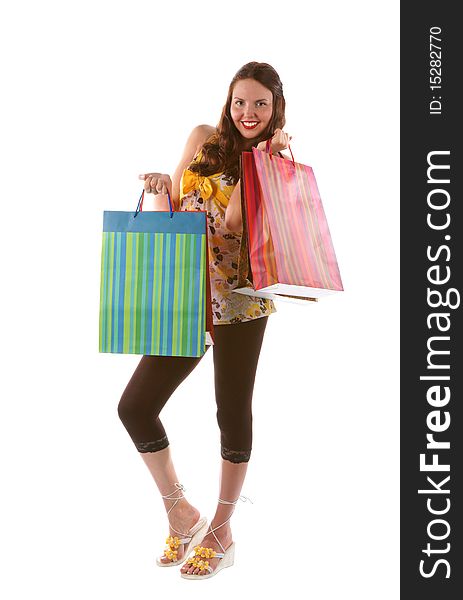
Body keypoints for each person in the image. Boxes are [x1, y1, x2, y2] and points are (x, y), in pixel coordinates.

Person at [117, 61, 292, 579]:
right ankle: (181, 512)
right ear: (229, 101)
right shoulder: (201, 138)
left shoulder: (271, 162)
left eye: (260, 103)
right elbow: (175, 206)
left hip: (239, 297)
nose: (248, 112)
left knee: (231, 408)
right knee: (135, 406)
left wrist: (262, 159)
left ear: (276, 107)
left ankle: (221, 528)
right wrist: (157, 186)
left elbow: (236, 223)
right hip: (187, 292)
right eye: (241, 101)